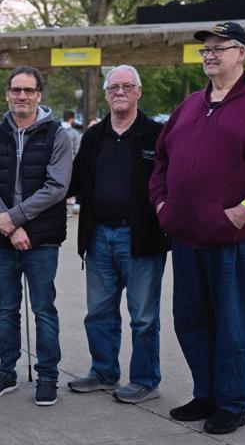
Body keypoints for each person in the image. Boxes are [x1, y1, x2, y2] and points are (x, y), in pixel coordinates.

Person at [150, 22, 245, 435]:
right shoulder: (189, 106)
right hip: (187, 237)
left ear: (242, 54)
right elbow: (161, 160)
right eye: (206, 50)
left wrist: (243, 211)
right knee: (191, 320)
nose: (211, 55)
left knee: (232, 324)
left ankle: (232, 403)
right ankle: (206, 394)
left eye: (220, 47)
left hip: (234, 239)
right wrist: (162, 204)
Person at [66, 65, 169, 404]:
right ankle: (103, 372)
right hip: (98, 236)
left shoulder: (156, 135)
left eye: (126, 86)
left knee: (143, 317)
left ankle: (145, 380)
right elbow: (73, 181)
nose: (120, 92)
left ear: (138, 91)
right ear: (106, 94)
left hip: (141, 238)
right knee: (99, 312)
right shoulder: (94, 137)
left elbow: (173, 180)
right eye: (113, 87)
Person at [0, 65, 72, 406]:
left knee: (44, 308)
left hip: (42, 239)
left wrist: (15, 218)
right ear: (7, 94)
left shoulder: (57, 135)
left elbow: (57, 186)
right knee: (7, 308)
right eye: (16, 90)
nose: (22, 96)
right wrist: (11, 227)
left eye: (29, 90)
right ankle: (6, 371)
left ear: (38, 95)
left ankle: (48, 375)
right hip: (3, 238)